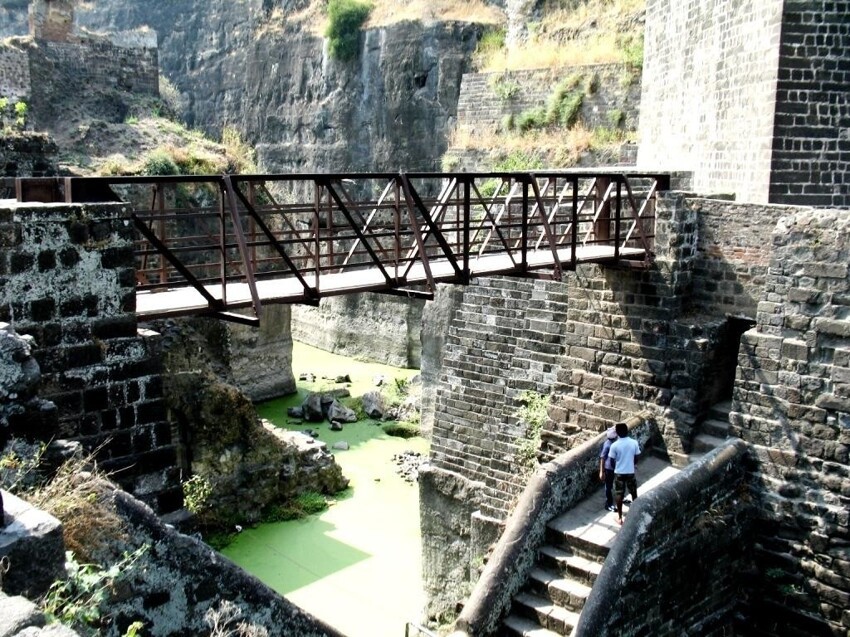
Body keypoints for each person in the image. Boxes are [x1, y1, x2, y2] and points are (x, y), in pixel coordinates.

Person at [608, 421, 640, 525]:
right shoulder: (634, 442)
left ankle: (620, 517)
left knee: (619, 494)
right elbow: (636, 457)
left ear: (617, 433)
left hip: (619, 473)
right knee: (633, 492)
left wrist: (616, 467)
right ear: (627, 431)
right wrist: (631, 464)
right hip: (630, 471)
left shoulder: (615, 445)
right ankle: (636, 514)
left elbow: (611, 460)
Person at [598, 426, 617, 512]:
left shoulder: (612, 443)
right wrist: (602, 471)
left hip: (614, 468)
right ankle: (608, 504)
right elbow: (602, 457)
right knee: (608, 486)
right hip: (609, 469)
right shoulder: (608, 445)